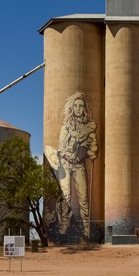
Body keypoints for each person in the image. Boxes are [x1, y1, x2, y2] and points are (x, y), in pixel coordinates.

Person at [46, 92, 99, 238]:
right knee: (66, 196)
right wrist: (79, 141)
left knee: (84, 197)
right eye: (75, 105)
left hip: (79, 164)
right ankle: (64, 225)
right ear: (71, 107)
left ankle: (87, 228)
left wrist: (90, 150)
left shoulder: (89, 125)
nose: (78, 108)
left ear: (85, 108)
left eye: (81, 106)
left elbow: (93, 147)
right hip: (65, 163)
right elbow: (62, 146)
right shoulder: (66, 125)